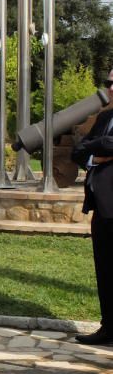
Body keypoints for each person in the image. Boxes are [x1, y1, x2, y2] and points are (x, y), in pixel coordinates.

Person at [70, 70, 113, 346]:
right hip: (102, 204)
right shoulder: (106, 117)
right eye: (109, 82)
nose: (110, 87)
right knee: (105, 269)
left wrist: (94, 148)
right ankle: (108, 326)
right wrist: (100, 152)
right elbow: (78, 151)